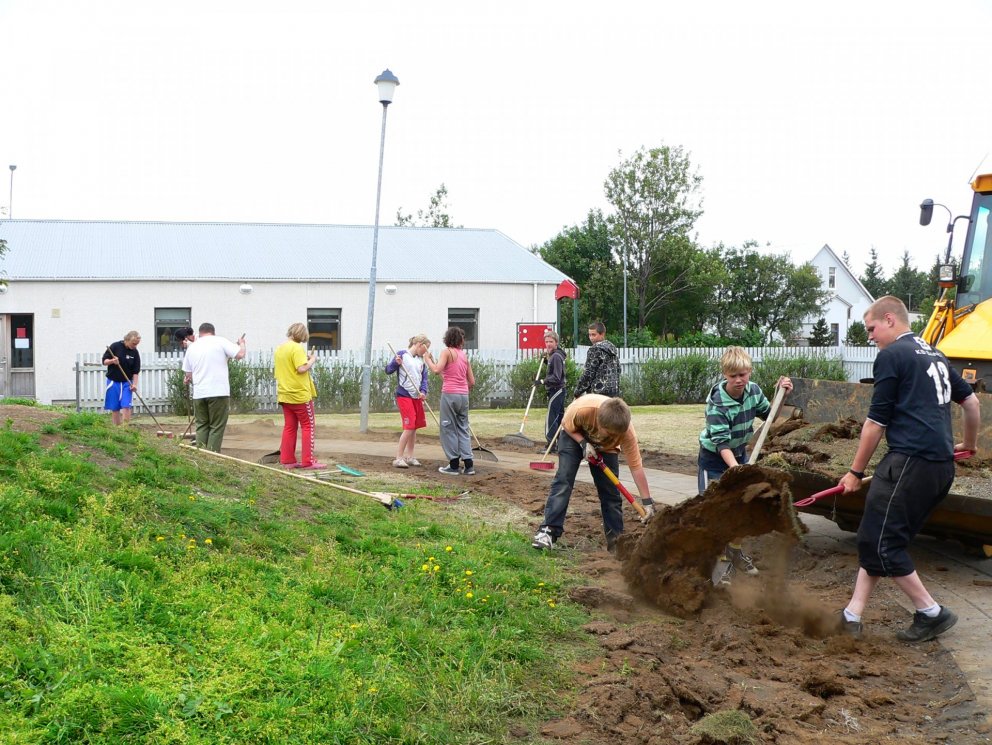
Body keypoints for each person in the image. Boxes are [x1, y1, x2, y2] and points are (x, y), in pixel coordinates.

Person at [837, 296, 979, 642]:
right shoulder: (935, 353)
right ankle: (852, 615)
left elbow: (875, 423)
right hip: (940, 468)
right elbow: (971, 403)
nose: (870, 337)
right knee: (883, 535)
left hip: (908, 463)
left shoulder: (892, 356)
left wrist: (854, 473)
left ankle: (930, 612)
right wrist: (968, 445)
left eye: (871, 329)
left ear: (889, 320)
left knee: (879, 541)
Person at [698, 346, 792, 585]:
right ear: (725, 375)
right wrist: (737, 471)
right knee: (716, 511)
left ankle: (735, 551)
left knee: (743, 508)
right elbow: (721, 443)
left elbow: (770, 416)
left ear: (749, 371)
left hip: (739, 455)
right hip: (715, 458)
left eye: (743, 374)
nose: (739, 380)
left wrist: (782, 396)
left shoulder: (753, 391)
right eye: (733, 376)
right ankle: (720, 562)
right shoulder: (718, 402)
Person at [532, 395, 655, 553]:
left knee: (611, 493)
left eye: (616, 436)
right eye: (610, 434)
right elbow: (565, 424)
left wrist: (647, 502)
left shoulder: (626, 432)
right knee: (564, 480)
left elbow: (636, 467)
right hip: (573, 436)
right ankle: (548, 531)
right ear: (599, 422)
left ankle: (616, 541)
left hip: (606, 449)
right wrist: (583, 443)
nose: (614, 437)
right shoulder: (583, 410)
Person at [182, 323, 246, 452]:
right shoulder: (220, 341)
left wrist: (190, 378)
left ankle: (201, 455)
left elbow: (188, 374)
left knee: (201, 425)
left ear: (200, 333)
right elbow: (240, 354)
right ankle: (212, 456)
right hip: (218, 392)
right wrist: (242, 343)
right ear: (213, 332)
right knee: (216, 426)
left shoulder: (192, 347)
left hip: (199, 393)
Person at [274, 322, 325, 470]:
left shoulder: (280, 348)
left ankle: (287, 459)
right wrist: (312, 360)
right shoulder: (297, 348)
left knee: (289, 427)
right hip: (299, 395)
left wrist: (306, 359)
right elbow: (301, 368)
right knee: (308, 426)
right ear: (302, 335)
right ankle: (308, 461)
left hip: (285, 394)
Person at [426, 326, 476, 475]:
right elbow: (471, 381)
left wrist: (428, 360)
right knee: (463, 428)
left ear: (448, 339)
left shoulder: (447, 352)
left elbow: (436, 370)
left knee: (447, 428)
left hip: (449, 395)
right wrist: (460, 387)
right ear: (461, 340)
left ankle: (453, 465)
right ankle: (469, 465)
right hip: (463, 395)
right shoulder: (464, 355)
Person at [385, 334, 431, 468]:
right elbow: (388, 370)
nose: (426, 352)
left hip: (416, 396)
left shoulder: (421, 361)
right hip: (404, 395)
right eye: (426, 348)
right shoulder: (402, 355)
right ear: (419, 345)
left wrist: (423, 392)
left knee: (414, 427)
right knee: (409, 426)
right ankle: (398, 458)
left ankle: (410, 456)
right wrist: (395, 363)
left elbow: (424, 379)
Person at [102, 330, 142, 425]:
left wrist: (134, 384)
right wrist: (112, 361)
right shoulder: (115, 346)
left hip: (127, 382)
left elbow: (135, 372)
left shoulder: (135, 352)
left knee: (126, 405)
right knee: (115, 407)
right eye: (133, 344)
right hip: (113, 381)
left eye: (137, 344)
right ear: (127, 340)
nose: (135, 346)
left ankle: (125, 428)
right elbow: (104, 361)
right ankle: (117, 428)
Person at [574, 322, 620, 398]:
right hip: (613, 392)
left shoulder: (595, 349)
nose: (591, 338)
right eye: (589, 335)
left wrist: (578, 391)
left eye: (594, 335)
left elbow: (588, 373)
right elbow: (618, 370)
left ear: (602, 334)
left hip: (598, 393)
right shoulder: (612, 350)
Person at [542, 330, 567, 453]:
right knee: (559, 417)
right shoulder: (556, 355)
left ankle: (550, 445)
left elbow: (556, 377)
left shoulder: (556, 356)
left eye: (551, 341)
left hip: (556, 390)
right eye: (546, 342)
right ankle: (559, 444)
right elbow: (555, 370)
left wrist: (542, 381)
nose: (548, 344)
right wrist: (547, 362)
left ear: (556, 342)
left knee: (551, 418)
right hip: (560, 390)